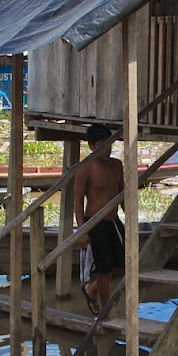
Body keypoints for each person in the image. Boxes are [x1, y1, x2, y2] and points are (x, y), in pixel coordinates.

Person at [73, 123, 124, 314]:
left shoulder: (117, 165)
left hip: (113, 221)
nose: (107, 150)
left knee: (121, 267)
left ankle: (91, 289)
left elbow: (122, 193)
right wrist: (81, 230)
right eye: (102, 145)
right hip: (94, 222)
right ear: (92, 146)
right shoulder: (86, 168)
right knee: (104, 271)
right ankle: (107, 312)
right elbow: (78, 200)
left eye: (110, 145)